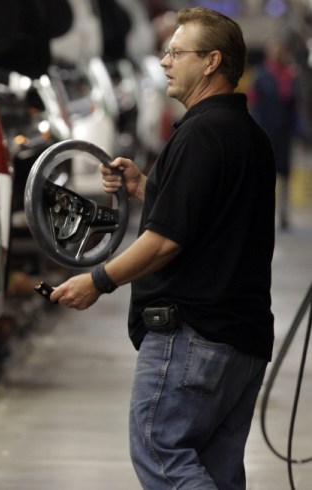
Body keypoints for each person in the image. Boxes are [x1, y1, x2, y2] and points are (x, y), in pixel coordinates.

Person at [49, 7, 276, 490]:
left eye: (177, 52)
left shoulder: (200, 133)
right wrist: (144, 188)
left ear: (212, 61)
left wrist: (98, 280)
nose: (165, 60)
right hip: (242, 340)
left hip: (194, 337)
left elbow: (166, 241)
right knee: (216, 472)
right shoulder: (248, 135)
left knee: (162, 453)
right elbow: (206, 217)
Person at [249, 35, 299, 230]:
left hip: (284, 132)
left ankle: (284, 213)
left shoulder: (290, 74)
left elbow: (295, 104)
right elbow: (254, 102)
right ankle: (264, 213)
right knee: (265, 174)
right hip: (266, 131)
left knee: (285, 174)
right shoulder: (261, 75)